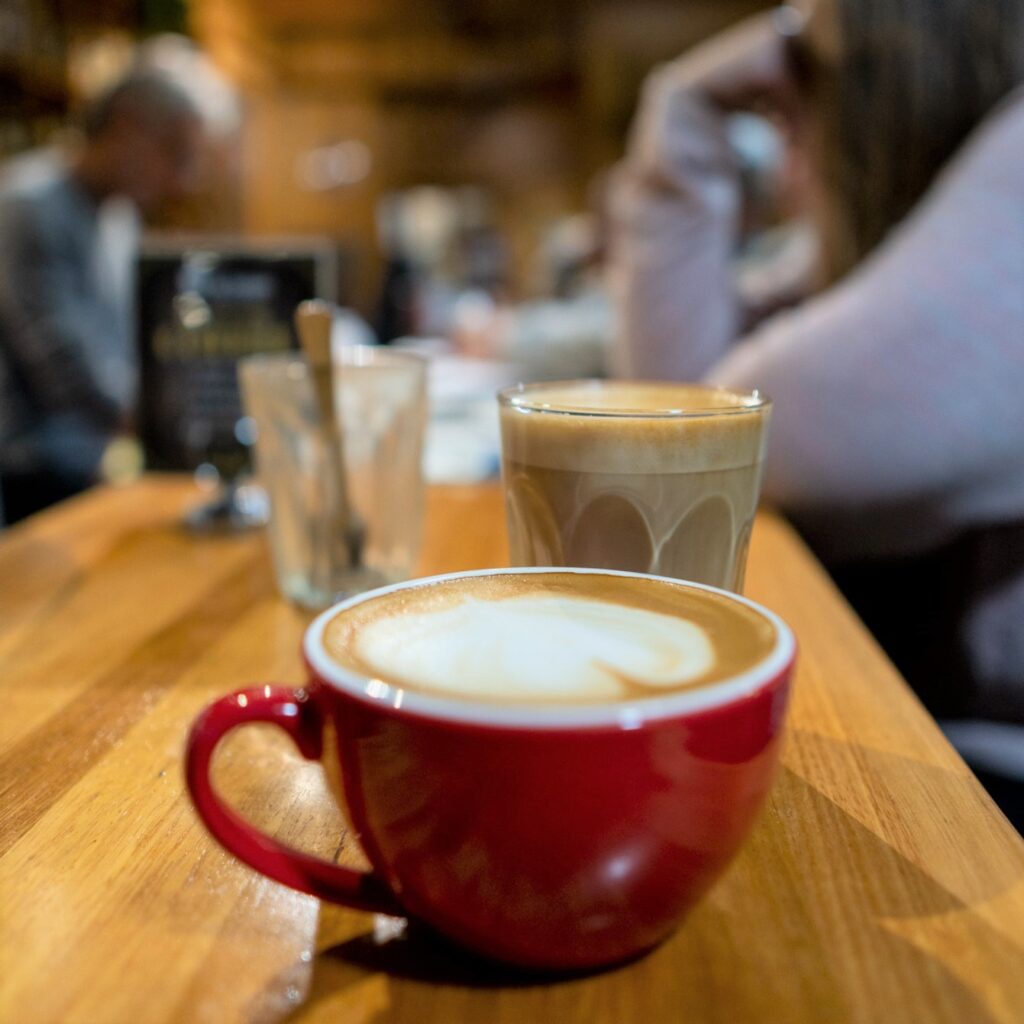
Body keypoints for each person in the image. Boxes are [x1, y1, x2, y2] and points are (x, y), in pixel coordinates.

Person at [610, 1, 1024, 742]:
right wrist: (684, 110)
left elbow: (702, 439)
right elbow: (679, 417)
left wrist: (684, 120)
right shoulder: (924, 216)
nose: (786, 160)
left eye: (799, 108)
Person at [0, 72, 203, 524]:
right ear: (127, 126)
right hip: (30, 475)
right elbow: (62, 365)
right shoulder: (27, 207)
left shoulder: (118, 216)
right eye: (173, 154)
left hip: (92, 458)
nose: (179, 181)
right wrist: (170, 421)